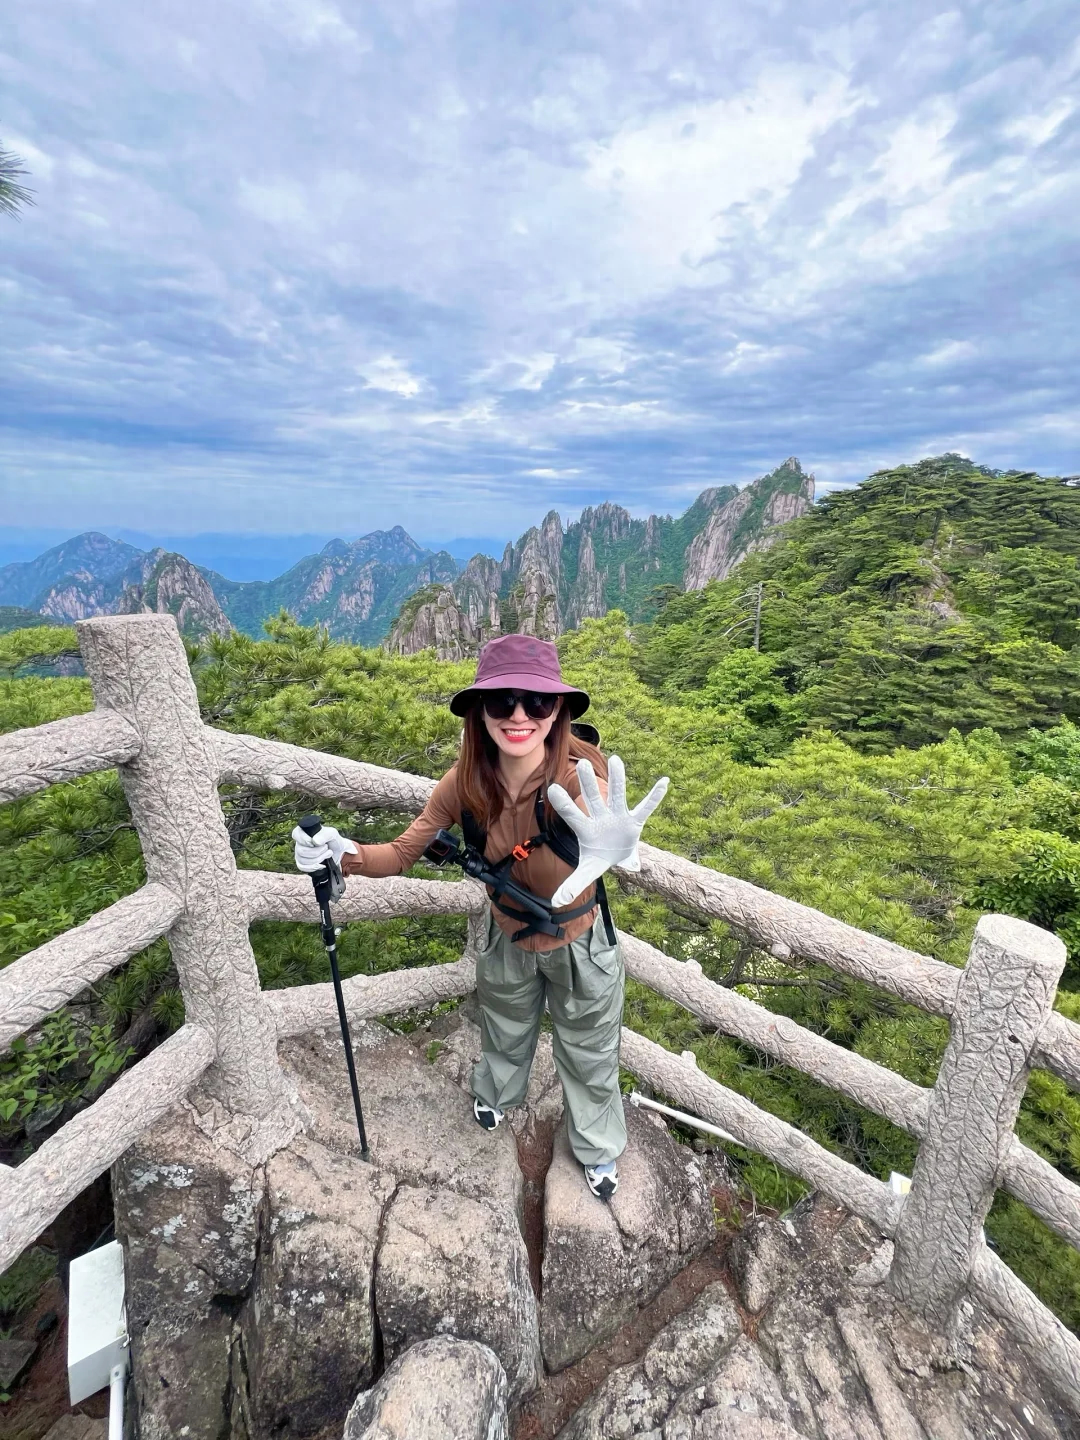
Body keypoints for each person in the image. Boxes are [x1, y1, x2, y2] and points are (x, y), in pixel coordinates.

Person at [292, 633, 668, 1200]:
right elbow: (399, 853)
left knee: (589, 1049)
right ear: (479, 713)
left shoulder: (574, 774)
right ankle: (496, 1095)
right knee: (506, 1029)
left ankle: (596, 1146)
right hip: (507, 934)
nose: (519, 716)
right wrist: (339, 853)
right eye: (502, 702)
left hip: (581, 938)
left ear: (558, 710)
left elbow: (595, 815)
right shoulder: (464, 784)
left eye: (537, 702)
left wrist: (612, 841)